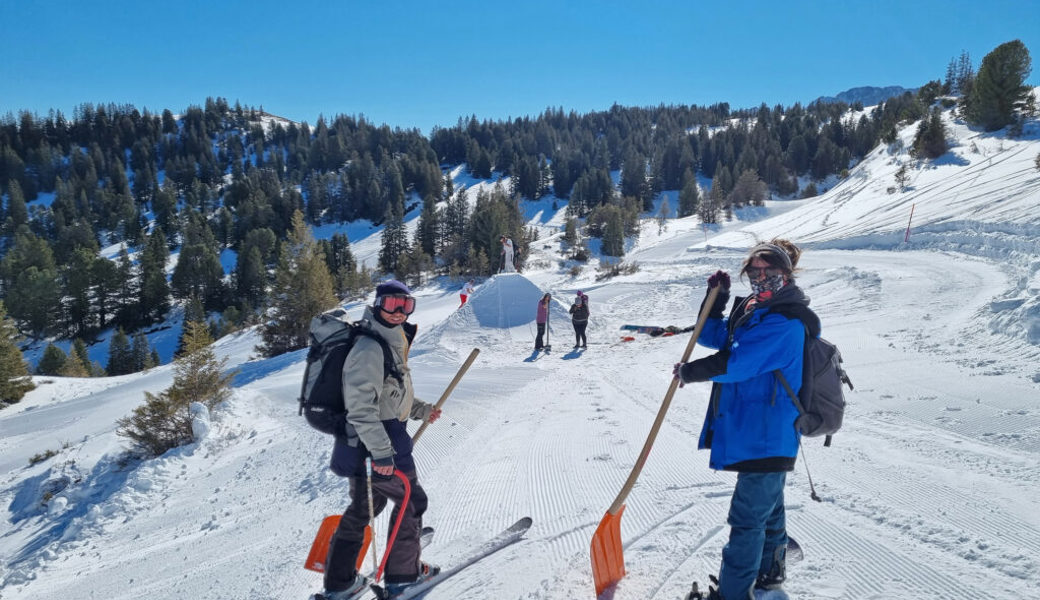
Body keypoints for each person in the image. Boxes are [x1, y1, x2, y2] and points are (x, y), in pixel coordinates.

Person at [673, 239, 815, 600]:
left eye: (770, 271)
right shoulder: (756, 312)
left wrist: (691, 373)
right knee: (768, 510)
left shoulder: (786, 321)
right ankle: (770, 574)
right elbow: (712, 335)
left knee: (748, 520)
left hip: (768, 433)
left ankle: (733, 595)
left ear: (787, 273)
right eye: (755, 271)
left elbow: (737, 363)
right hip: (757, 432)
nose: (762, 277)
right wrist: (716, 300)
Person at [322, 280, 444, 600]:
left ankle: (340, 582)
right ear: (377, 304)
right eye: (391, 304)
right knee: (410, 503)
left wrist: (421, 410)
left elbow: (390, 396)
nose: (399, 312)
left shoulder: (390, 342)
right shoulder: (370, 347)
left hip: (367, 440)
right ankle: (403, 577)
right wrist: (382, 454)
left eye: (406, 305)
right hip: (381, 441)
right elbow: (362, 408)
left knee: (365, 508)